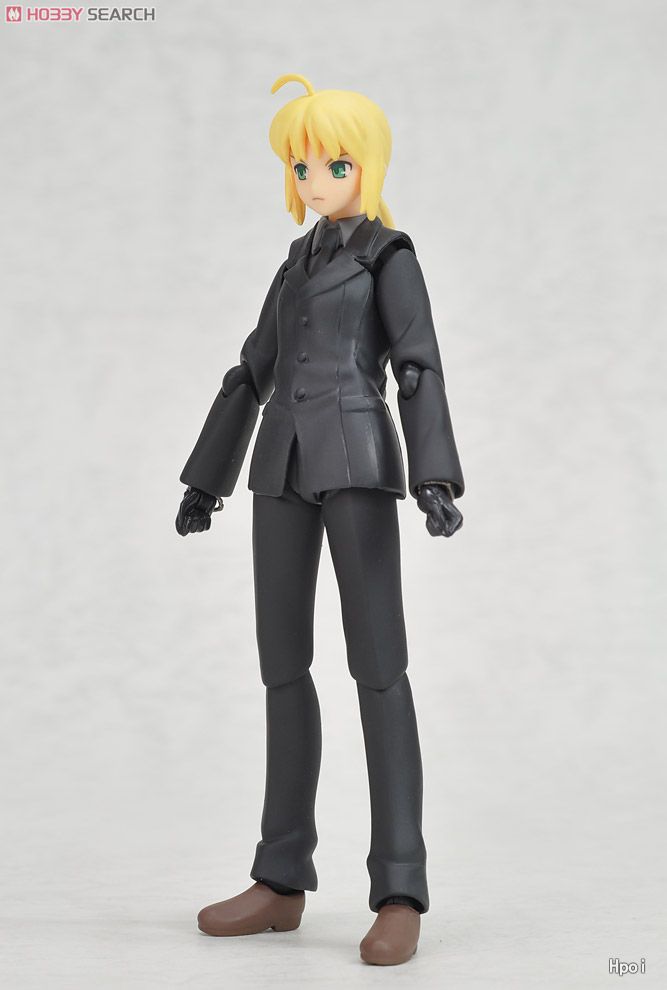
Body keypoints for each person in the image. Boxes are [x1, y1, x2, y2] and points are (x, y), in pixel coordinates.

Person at [175, 73, 464, 966]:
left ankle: (399, 887)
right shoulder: (294, 264)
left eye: (332, 164)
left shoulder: (388, 257)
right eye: (301, 166)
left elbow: (416, 365)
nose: (313, 180)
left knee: (378, 669)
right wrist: (207, 478)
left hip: (358, 468)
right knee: (281, 668)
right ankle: (280, 877)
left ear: (365, 164)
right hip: (280, 470)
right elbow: (250, 370)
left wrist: (435, 475)